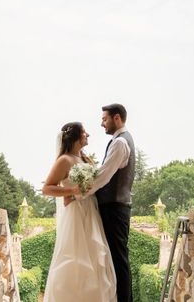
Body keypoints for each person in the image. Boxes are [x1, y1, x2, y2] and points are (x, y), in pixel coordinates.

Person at [41, 122, 116, 301]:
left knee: (96, 255)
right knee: (76, 258)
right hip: (75, 213)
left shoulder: (84, 158)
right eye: (84, 132)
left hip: (91, 210)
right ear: (75, 136)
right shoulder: (64, 160)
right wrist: (72, 191)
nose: (88, 135)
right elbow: (47, 189)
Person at [69, 103, 136, 302]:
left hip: (115, 208)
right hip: (115, 206)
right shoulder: (122, 140)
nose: (101, 123)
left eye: (104, 119)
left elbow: (103, 177)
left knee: (118, 259)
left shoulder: (120, 143)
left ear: (117, 118)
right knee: (115, 258)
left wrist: (78, 194)